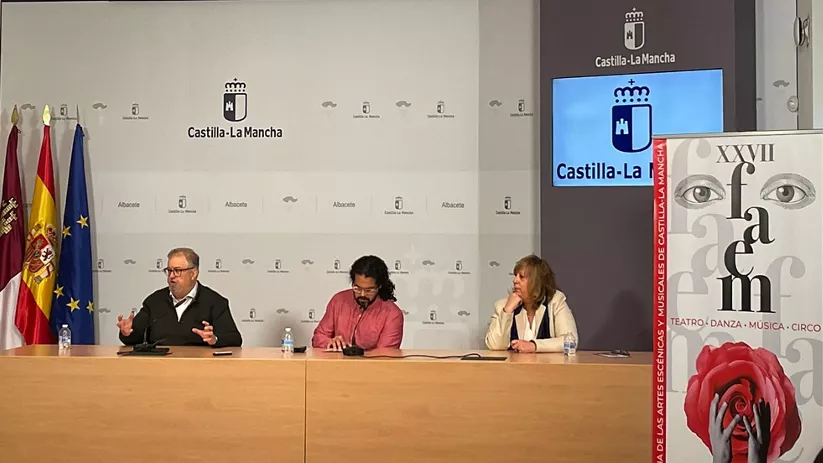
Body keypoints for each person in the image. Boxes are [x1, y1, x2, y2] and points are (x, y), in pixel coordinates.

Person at [116, 247, 242, 348]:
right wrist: (127, 333)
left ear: (193, 273)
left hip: (199, 367)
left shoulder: (215, 302)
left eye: (177, 271)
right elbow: (134, 338)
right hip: (160, 366)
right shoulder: (154, 301)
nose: (171, 276)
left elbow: (234, 339)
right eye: (169, 271)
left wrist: (214, 339)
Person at [485, 254, 578, 353]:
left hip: (548, 363)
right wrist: (507, 311)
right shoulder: (503, 305)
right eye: (515, 276)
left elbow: (570, 341)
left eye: (521, 277)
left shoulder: (555, 301)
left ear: (536, 282)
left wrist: (534, 346)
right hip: (514, 363)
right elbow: (495, 345)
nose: (515, 281)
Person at [312, 255, 404, 351]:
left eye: (369, 290)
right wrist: (330, 342)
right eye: (357, 288)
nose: (362, 294)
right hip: (337, 361)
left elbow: (385, 354)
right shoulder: (338, 300)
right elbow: (318, 337)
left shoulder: (392, 314)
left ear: (379, 286)